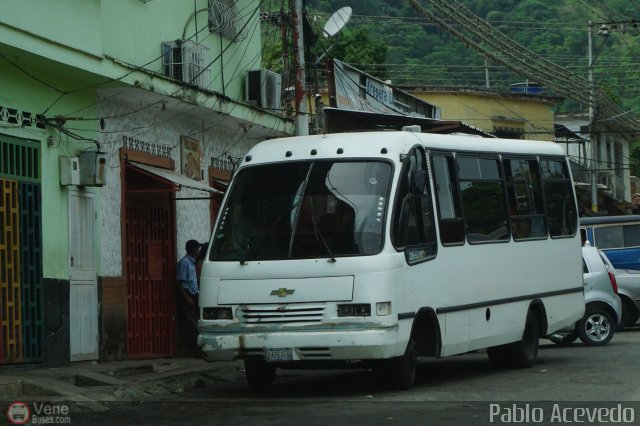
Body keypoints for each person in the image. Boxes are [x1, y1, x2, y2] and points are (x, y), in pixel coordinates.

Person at [176, 239, 202, 356]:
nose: (199, 251)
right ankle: (195, 350)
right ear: (193, 250)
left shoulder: (193, 263)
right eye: (197, 248)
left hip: (195, 295)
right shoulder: (184, 263)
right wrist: (187, 298)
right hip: (188, 296)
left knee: (197, 321)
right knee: (192, 323)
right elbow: (179, 283)